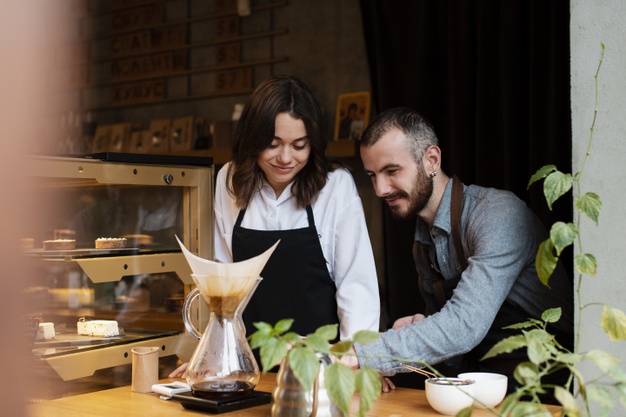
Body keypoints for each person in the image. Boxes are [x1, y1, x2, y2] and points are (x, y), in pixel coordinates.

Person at [346, 107, 573, 397]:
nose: (379, 189)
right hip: (482, 386)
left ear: (431, 160)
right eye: (372, 175)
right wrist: (422, 328)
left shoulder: (498, 214)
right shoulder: (422, 243)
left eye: (391, 171)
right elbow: (453, 347)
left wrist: (361, 354)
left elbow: (464, 326)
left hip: (544, 388)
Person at [170, 75, 380, 376]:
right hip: (250, 366)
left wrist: (358, 363)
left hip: (321, 366)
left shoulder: (335, 186)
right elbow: (224, 285)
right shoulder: (228, 180)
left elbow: (356, 287)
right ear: (252, 139)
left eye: (299, 145)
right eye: (272, 144)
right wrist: (216, 355)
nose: (285, 158)